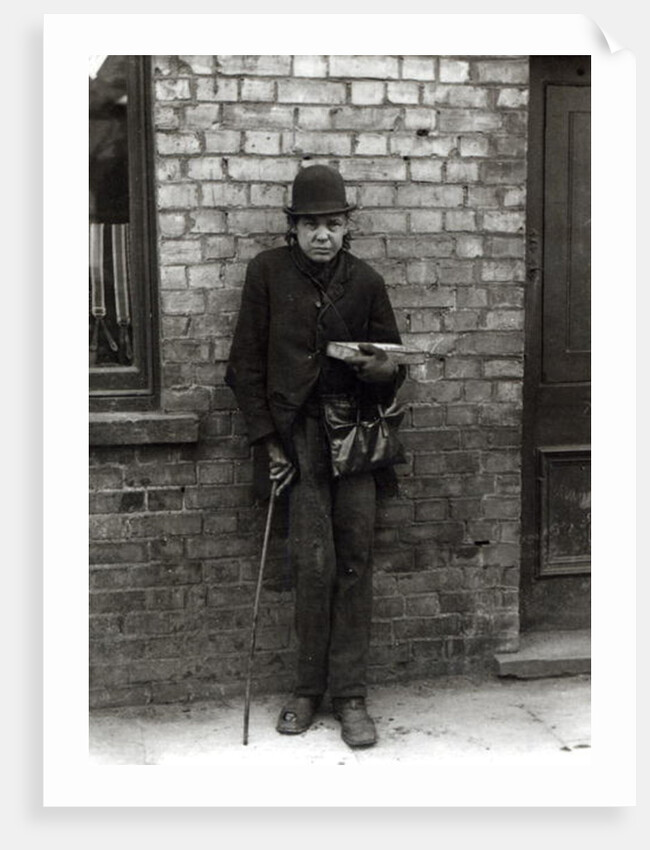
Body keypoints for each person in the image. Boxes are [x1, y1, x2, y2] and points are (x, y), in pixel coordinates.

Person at [226, 164, 404, 748]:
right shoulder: (267, 274)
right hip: (298, 438)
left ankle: (350, 696)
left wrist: (381, 370)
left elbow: (393, 367)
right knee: (311, 563)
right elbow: (244, 367)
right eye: (310, 225)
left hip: (355, 439)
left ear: (347, 227)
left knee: (354, 559)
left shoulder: (367, 282)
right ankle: (306, 690)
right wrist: (270, 443)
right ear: (293, 228)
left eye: (332, 224)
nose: (322, 235)